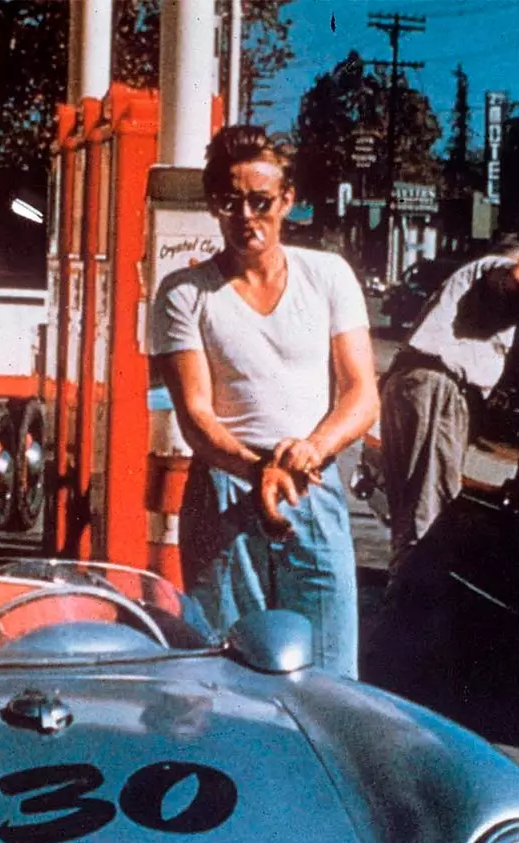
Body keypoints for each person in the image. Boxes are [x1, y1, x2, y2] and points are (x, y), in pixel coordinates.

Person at [148, 125, 378, 678]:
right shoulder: (183, 293)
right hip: (226, 488)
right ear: (213, 204)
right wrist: (258, 471)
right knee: (227, 672)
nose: (246, 216)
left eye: (261, 201)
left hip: (310, 484)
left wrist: (310, 450)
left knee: (329, 673)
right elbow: (197, 416)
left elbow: (361, 393)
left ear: (288, 201)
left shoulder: (328, 276)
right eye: (230, 202)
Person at [379, 228, 519, 571]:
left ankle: (407, 593)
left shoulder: (477, 298)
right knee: (428, 515)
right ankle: (414, 605)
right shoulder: (497, 267)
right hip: (437, 387)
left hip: (413, 385)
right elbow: (516, 278)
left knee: (413, 510)